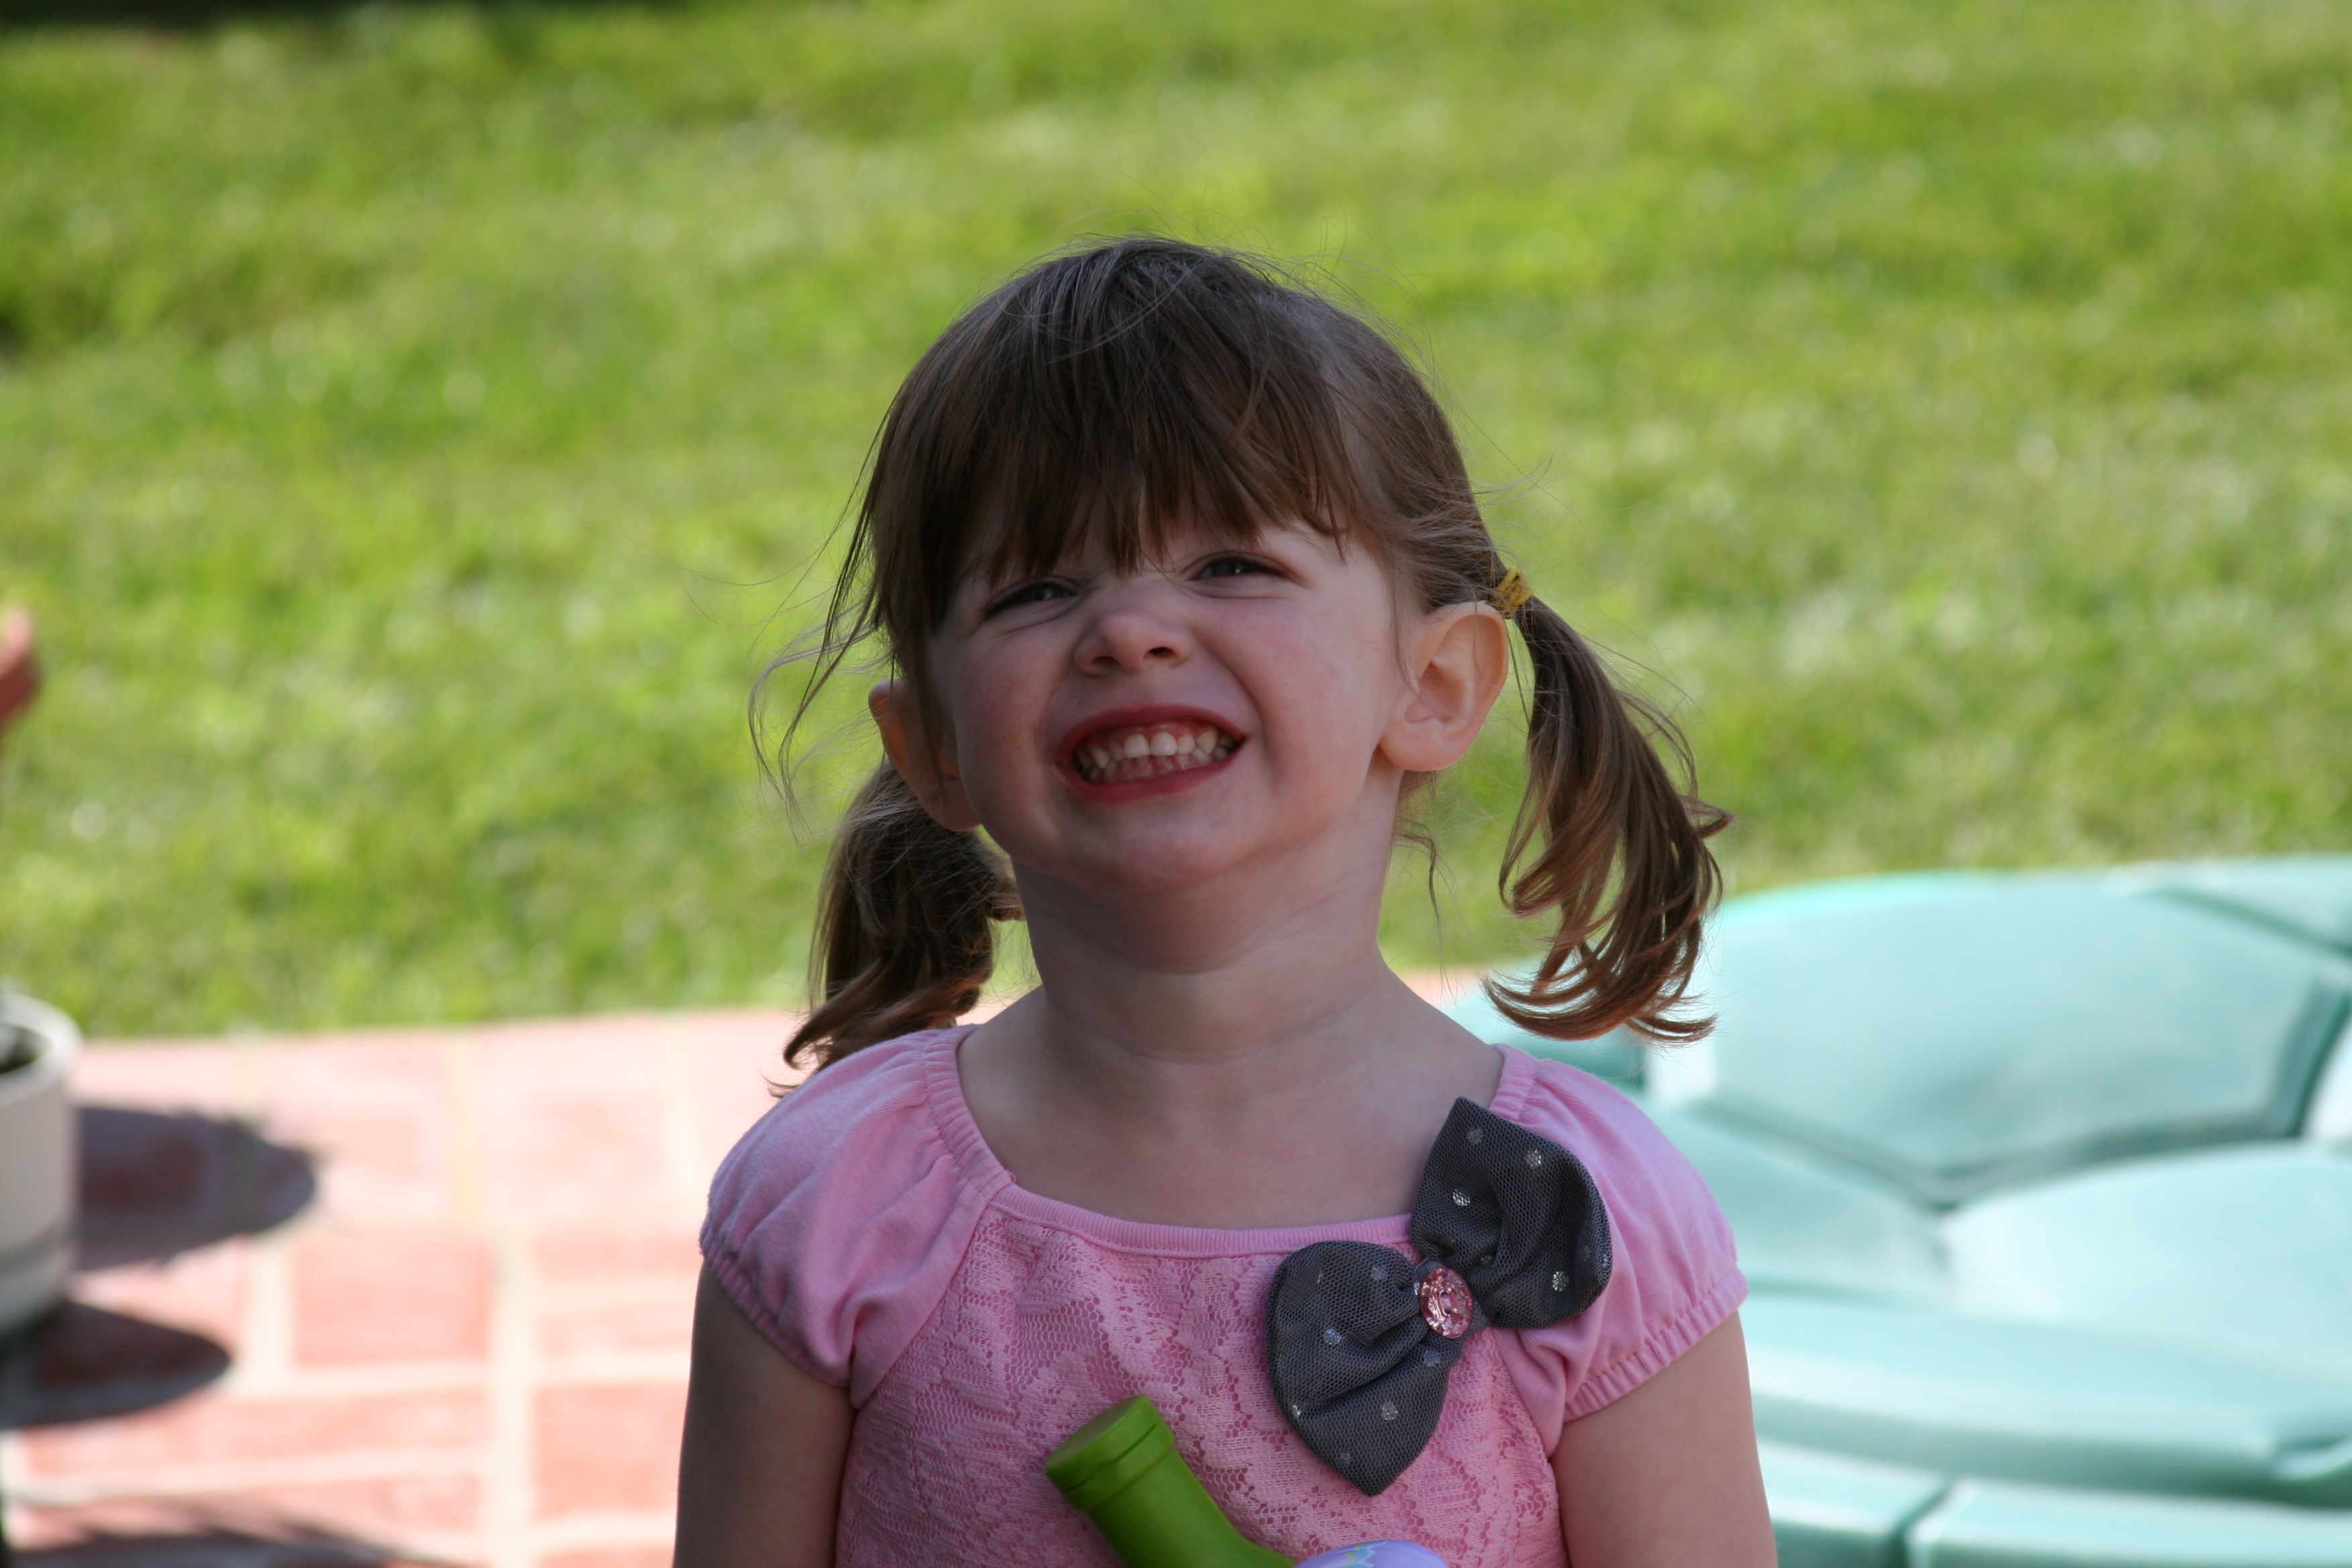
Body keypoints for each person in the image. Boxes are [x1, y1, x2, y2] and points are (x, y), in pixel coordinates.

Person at [676, 238, 1775, 1568]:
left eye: (1232, 566)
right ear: (935, 747)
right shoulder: (840, 1203)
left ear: (1434, 685)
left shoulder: (1580, 1220)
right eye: (1037, 587)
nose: (1129, 630)